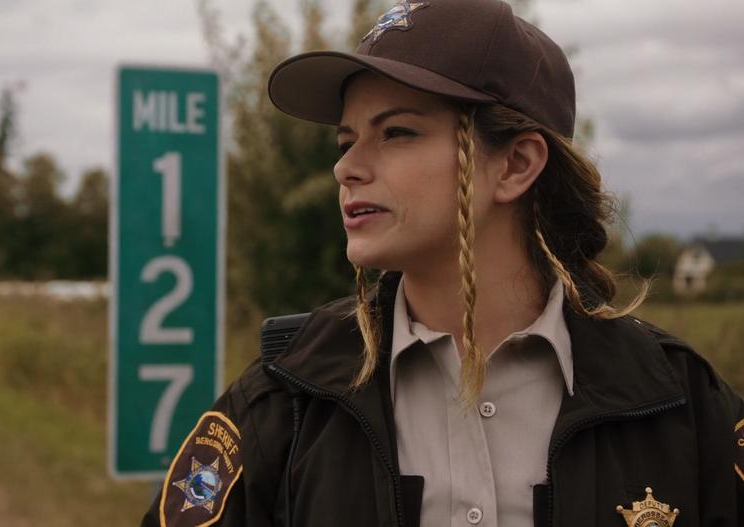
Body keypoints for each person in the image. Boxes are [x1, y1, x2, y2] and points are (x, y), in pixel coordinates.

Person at [142, 0, 744, 525]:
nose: (346, 168)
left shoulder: (678, 403)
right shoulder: (286, 399)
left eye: (396, 132)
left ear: (514, 165)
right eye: (346, 140)